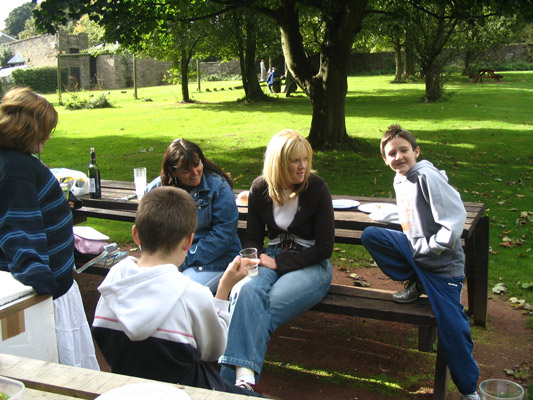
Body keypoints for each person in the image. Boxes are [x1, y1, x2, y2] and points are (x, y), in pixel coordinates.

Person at [91, 186, 263, 396]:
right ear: (189, 241)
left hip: (131, 389)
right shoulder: (191, 294)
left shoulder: (112, 285)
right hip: (189, 392)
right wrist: (223, 289)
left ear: (136, 234)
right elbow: (214, 350)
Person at [361, 124, 480, 400]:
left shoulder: (427, 176)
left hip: (440, 267)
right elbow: (411, 215)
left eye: (404, 150)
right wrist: (387, 217)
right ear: (385, 159)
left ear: (416, 150)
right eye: (392, 153)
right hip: (418, 255)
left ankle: (469, 390)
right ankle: (416, 279)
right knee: (372, 236)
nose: (398, 157)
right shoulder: (400, 178)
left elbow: (453, 222)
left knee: (451, 326)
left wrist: (428, 249)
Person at [219, 129, 334, 391]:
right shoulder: (260, 188)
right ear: (279, 163)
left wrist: (279, 263)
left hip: (311, 265)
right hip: (268, 257)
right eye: (295, 160)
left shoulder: (317, 188)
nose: (303, 166)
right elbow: (252, 237)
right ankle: (243, 384)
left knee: (260, 308)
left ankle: (228, 386)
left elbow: (325, 248)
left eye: (306, 158)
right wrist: (251, 258)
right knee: (245, 289)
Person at [0, 87, 99, 370]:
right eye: (45, 129)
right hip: (49, 293)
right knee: (63, 371)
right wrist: (40, 280)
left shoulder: (16, 162)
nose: (48, 135)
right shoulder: (16, 170)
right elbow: (17, 229)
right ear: (28, 128)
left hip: (56, 287)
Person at [145, 138, 241, 293]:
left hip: (215, 261)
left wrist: (180, 260)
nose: (195, 173)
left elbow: (223, 235)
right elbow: (146, 230)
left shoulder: (217, 187)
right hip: (170, 260)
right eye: (186, 170)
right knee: (147, 289)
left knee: (181, 293)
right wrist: (158, 259)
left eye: (197, 165)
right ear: (172, 170)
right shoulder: (156, 190)